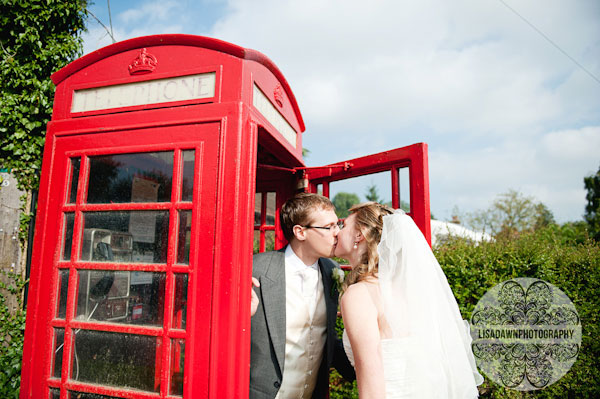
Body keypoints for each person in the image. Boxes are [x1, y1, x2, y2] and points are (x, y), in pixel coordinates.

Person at [336, 202, 483, 398]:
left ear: (359, 235)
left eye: (343, 225)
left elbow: (372, 378)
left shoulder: (359, 294)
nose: (336, 232)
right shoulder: (410, 291)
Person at [249, 193, 355, 399]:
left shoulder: (332, 270)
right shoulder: (257, 268)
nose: (338, 233)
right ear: (300, 232)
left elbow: (325, 337)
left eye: (338, 225)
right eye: (329, 227)